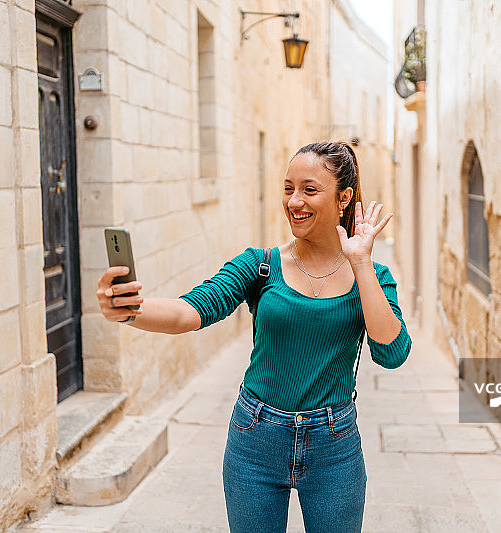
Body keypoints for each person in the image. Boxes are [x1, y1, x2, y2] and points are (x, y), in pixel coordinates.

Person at [96, 141, 412, 533]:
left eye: (310, 190)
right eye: (288, 188)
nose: (294, 201)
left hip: (335, 445)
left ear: (344, 197)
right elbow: (189, 311)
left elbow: (392, 351)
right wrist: (130, 310)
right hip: (255, 439)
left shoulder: (373, 277)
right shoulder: (260, 265)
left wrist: (360, 261)